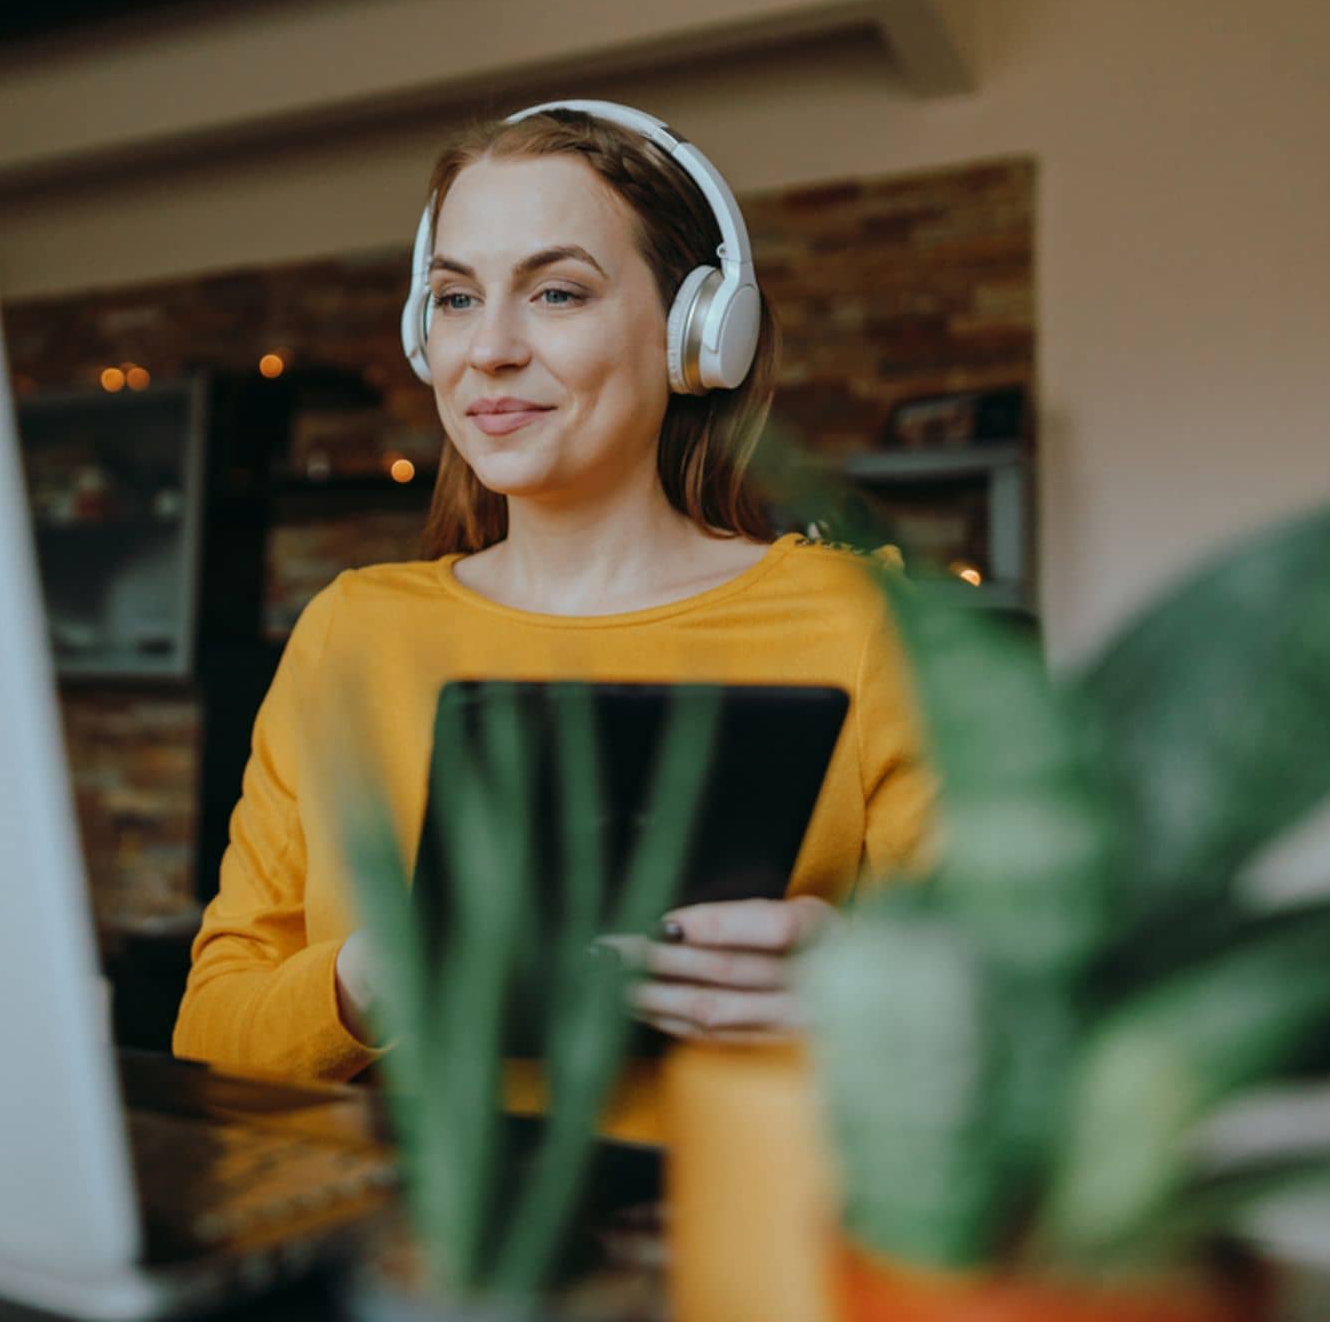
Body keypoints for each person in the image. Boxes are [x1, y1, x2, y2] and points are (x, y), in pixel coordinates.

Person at [172, 101, 933, 1137]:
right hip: (391, 1231)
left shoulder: (864, 624)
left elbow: (1024, 1020)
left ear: (697, 332)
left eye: (556, 292)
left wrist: (858, 989)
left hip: (723, 1225)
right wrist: (373, 974)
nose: (487, 349)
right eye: (454, 298)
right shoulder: (350, 632)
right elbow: (209, 1033)